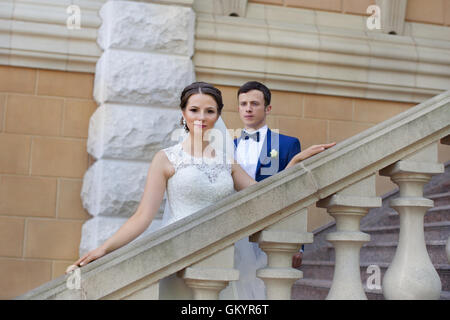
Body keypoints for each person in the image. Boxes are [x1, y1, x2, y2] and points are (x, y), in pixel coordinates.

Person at [66, 81, 334, 299]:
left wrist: (294, 164)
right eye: (194, 110)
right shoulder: (166, 158)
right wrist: (104, 249)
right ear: (183, 113)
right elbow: (142, 217)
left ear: (218, 115)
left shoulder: (227, 160)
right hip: (179, 253)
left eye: (210, 111)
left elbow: (262, 195)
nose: (201, 117)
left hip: (221, 255)